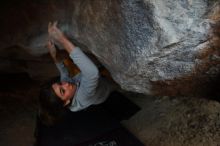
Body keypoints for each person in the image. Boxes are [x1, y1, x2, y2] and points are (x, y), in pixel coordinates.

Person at [39, 22, 115, 125]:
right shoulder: (82, 98)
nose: (65, 84)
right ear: (66, 102)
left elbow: (63, 72)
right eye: (62, 91)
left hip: (96, 79)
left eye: (60, 84)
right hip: (105, 88)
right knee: (113, 81)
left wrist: (54, 55)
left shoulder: (65, 88)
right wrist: (62, 39)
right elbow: (92, 73)